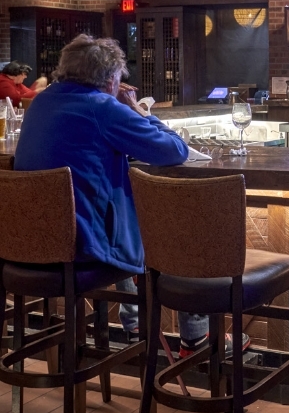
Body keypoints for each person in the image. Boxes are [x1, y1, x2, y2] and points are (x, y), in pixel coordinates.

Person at [13, 35, 239, 356]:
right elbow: (174, 151)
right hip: (81, 252)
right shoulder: (102, 107)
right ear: (110, 79)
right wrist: (138, 111)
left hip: (26, 248)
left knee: (123, 217)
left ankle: (134, 323)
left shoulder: (42, 102)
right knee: (175, 227)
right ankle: (197, 336)